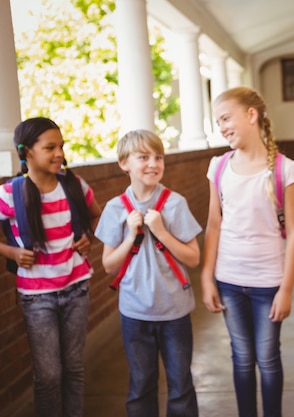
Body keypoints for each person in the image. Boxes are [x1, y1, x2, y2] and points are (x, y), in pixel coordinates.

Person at [0, 117, 101, 417]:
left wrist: (86, 237)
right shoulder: (10, 194)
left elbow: (96, 215)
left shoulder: (73, 185)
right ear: (26, 151)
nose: (59, 153)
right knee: (48, 376)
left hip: (77, 287)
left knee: (73, 369)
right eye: (50, 147)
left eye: (61, 146)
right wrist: (12, 252)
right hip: (37, 297)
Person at [201, 86, 294, 417]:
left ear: (251, 115)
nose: (222, 126)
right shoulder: (218, 167)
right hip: (229, 280)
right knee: (241, 357)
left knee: (268, 357)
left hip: (268, 282)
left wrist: (286, 289)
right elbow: (214, 224)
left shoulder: (284, 168)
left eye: (226, 118)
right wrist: (206, 276)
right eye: (218, 122)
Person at [94, 129, 201, 417]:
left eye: (159, 157)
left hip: (174, 312)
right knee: (141, 386)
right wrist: (130, 236)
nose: (153, 164)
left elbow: (193, 258)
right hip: (135, 312)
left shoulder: (175, 203)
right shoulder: (115, 209)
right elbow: (108, 264)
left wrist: (162, 231)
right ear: (124, 163)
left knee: (180, 386)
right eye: (144, 157)